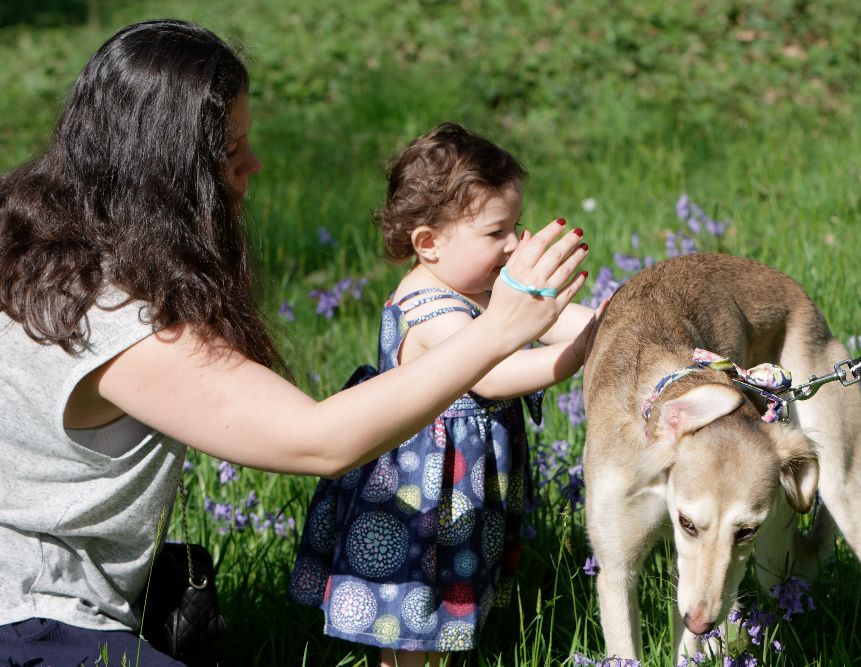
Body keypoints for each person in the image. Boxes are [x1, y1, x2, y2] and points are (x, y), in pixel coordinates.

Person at [0, 21, 590, 667]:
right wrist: (501, 329)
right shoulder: (112, 317)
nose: (253, 164)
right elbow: (320, 441)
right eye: (232, 151)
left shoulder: (39, 243)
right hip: (30, 619)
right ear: (166, 173)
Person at [289, 123, 597, 667]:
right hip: (419, 494)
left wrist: (618, 321)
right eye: (496, 232)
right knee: (413, 608)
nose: (513, 244)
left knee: (448, 609)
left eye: (516, 226)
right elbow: (492, 375)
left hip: (463, 486)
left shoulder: (479, 288)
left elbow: (560, 318)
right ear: (429, 243)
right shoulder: (428, 305)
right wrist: (574, 356)